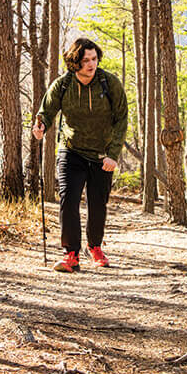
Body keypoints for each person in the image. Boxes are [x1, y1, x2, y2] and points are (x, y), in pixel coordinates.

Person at [32, 37, 128, 273]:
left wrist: (113, 154)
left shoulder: (109, 83)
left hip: (102, 154)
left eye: (94, 59)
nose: (91, 64)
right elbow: (46, 111)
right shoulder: (62, 85)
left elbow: (122, 119)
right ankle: (70, 254)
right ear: (75, 62)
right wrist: (40, 125)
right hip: (71, 150)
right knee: (69, 199)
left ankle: (94, 247)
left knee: (98, 204)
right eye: (85, 60)